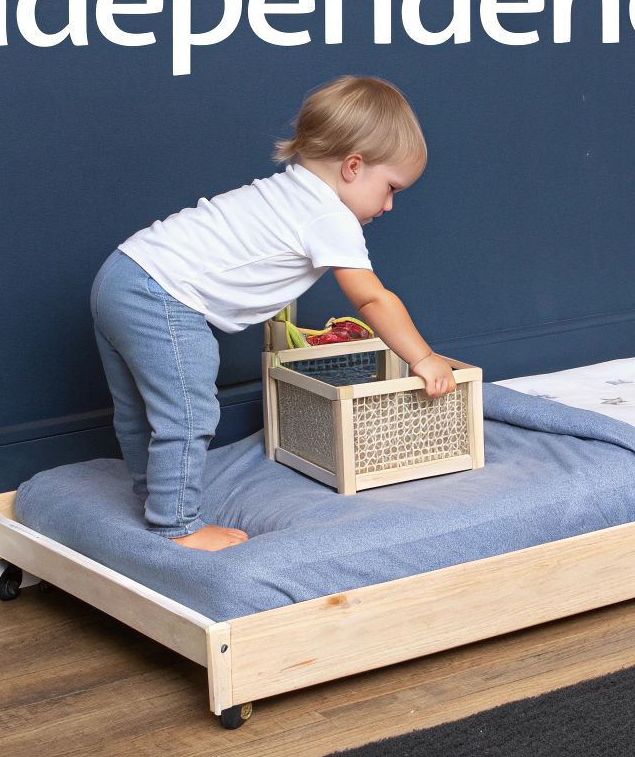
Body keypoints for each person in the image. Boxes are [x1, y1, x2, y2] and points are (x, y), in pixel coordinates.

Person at [93, 76, 454, 550]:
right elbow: (372, 299)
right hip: (163, 293)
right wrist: (423, 358)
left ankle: (153, 497)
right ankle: (176, 525)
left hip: (121, 273)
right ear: (352, 166)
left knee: (138, 412)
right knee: (188, 411)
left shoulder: (288, 192)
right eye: (390, 188)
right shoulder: (329, 217)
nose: (388, 205)